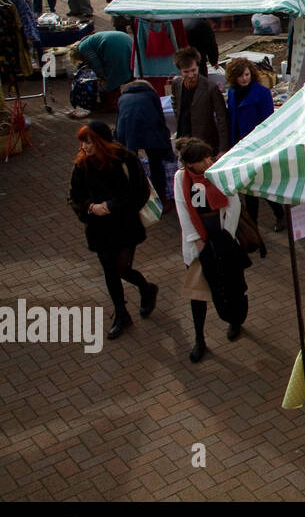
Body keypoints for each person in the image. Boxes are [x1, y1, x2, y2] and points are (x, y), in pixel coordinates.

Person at [68, 122, 158, 340]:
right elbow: (74, 196)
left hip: (125, 225)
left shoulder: (125, 160)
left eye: (87, 142)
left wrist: (112, 206)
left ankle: (146, 288)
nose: (84, 147)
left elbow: (140, 192)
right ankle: (121, 313)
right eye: (82, 142)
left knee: (122, 268)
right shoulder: (82, 165)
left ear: (99, 140)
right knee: (109, 270)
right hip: (98, 227)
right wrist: (90, 207)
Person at [173, 137, 244, 362]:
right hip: (199, 242)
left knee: (230, 283)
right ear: (190, 164)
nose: (208, 161)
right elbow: (183, 209)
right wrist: (197, 240)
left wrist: (227, 236)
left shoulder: (218, 173)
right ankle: (199, 339)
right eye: (202, 159)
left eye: (208, 156)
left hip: (221, 237)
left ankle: (234, 319)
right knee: (197, 293)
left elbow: (234, 203)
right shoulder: (181, 178)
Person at [225, 57, 285, 231]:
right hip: (241, 147)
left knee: (259, 185)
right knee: (249, 187)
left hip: (258, 148)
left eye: (246, 74)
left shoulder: (262, 92)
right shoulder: (232, 93)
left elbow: (267, 123)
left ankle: (266, 219)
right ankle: (256, 223)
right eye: (240, 76)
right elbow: (232, 121)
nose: (244, 78)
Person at [115, 79, 174, 202]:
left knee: (133, 165)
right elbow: (160, 118)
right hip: (150, 131)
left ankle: (137, 198)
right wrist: (167, 147)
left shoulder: (122, 98)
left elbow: (119, 121)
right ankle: (161, 198)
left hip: (128, 132)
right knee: (156, 163)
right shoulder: (151, 95)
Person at [171, 46, 228, 155]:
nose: (191, 75)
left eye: (193, 70)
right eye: (186, 72)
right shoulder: (177, 83)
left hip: (205, 142)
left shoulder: (210, 87)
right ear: (180, 71)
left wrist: (223, 148)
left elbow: (222, 118)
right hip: (184, 139)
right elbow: (175, 102)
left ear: (198, 66)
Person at [70, 30, 134, 105]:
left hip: (113, 47)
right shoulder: (89, 40)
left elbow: (97, 65)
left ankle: (113, 103)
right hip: (127, 40)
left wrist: (101, 76)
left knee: (112, 79)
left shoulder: (83, 48)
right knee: (128, 68)